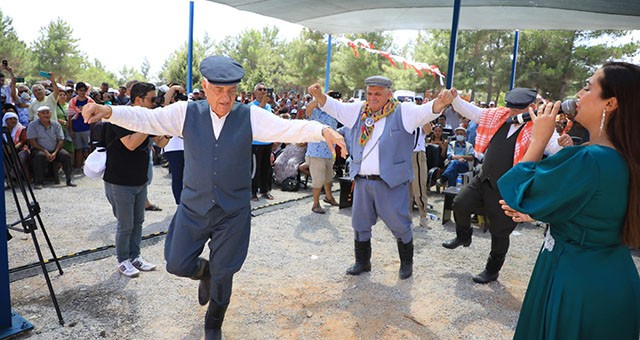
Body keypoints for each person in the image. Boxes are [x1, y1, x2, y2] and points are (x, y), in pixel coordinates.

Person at [82, 55, 346, 339]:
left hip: (232, 212)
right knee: (177, 263)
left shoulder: (249, 115)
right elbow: (147, 118)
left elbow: (287, 127)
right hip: (194, 207)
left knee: (225, 273)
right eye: (219, 91)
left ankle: (213, 324)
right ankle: (202, 271)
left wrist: (322, 130)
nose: (226, 98)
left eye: (231, 91)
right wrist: (108, 111)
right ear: (205, 87)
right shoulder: (186, 112)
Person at [498, 62, 640, 339]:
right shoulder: (624, 156)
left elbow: (517, 193)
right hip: (612, 278)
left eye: (587, 87)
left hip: (576, 284)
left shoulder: (590, 160)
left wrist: (538, 140)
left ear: (610, 103)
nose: (578, 94)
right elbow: (596, 210)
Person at [308, 76, 447, 280]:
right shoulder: (358, 111)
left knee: (400, 224)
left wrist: (440, 103)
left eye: (378, 94)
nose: (372, 98)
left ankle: (406, 263)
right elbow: (336, 108)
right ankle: (362, 262)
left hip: (391, 182)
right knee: (360, 223)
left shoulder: (403, 111)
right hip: (363, 181)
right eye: (370, 93)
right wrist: (319, 96)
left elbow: (425, 111)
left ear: (388, 94)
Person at [441, 87, 569, 284]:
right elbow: (472, 111)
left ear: (531, 107)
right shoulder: (498, 116)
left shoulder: (540, 128)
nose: (514, 114)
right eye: (512, 109)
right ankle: (463, 236)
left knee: (500, 232)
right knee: (460, 203)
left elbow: (557, 149)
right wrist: (455, 99)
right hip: (483, 179)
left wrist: (565, 143)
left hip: (509, 189)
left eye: (519, 110)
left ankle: (492, 270)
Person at [305, 96, 339, 214]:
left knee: (328, 178)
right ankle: (315, 204)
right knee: (318, 180)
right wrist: (322, 96)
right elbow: (309, 107)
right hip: (316, 152)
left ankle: (329, 197)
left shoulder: (334, 113)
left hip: (329, 151)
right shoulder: (314, 113)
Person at [26, 106, 75, 189]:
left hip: (54, 149)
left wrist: (55, 152)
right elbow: (33, 142)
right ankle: (38, 182)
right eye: (43, 113)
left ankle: (69, 179)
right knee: (39, 156)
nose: (46, 115)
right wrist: (45, 151)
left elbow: (60, 140)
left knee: (66, 155)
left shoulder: (56, 124)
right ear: (38, 115)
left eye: (47, 112)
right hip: (40, 149)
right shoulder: (33, 125)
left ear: (51, 114)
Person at [249, 82, 275, 201]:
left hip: (267, 142)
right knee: (255, 168)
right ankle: (252, 192)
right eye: (260, 89)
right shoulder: (251, 106)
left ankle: (265, 190)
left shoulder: (269, 107)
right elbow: (256, 118)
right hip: (255, 143)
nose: (263, 91)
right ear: (255, 93)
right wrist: (263, 102)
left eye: (265, 89)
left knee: (266, 168)